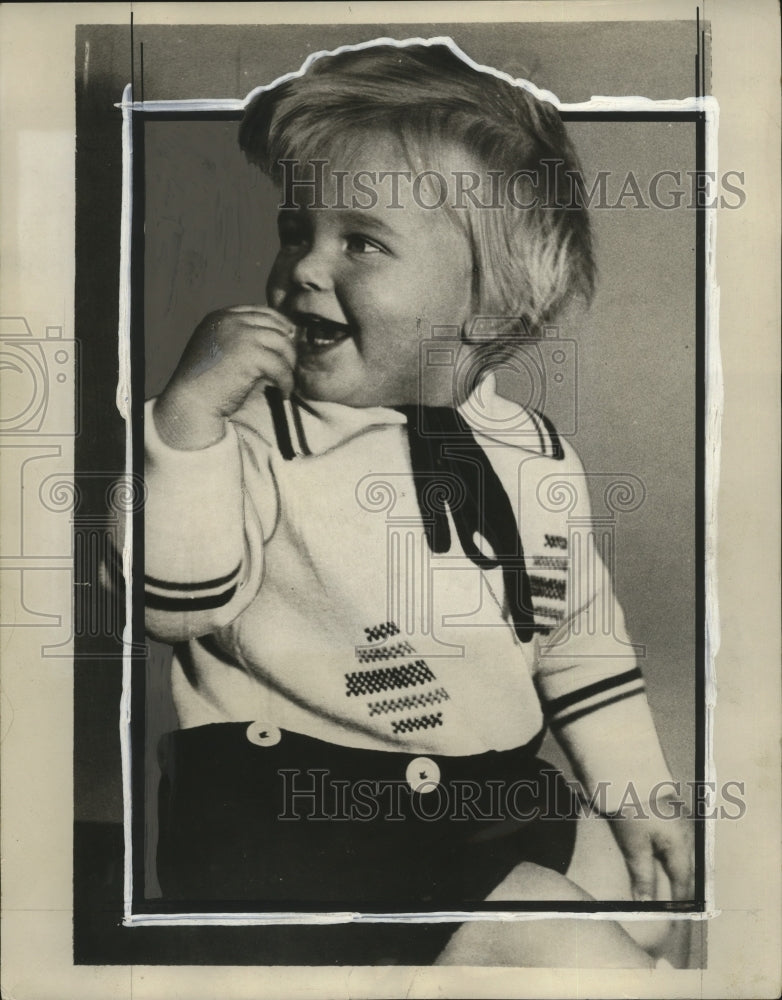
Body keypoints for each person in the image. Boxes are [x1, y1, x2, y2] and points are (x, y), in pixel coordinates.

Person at [134, 40, 693, 966]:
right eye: (295, 232)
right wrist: (186, 425)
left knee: (647, 914)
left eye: (360, 241)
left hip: (489, 799)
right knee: (565, 956)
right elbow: (174, 602)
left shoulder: (535, 455)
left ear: (492, 295)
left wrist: (639, 793)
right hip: (303, 822)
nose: (305, 269)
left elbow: (581, 643)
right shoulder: (252, 438)